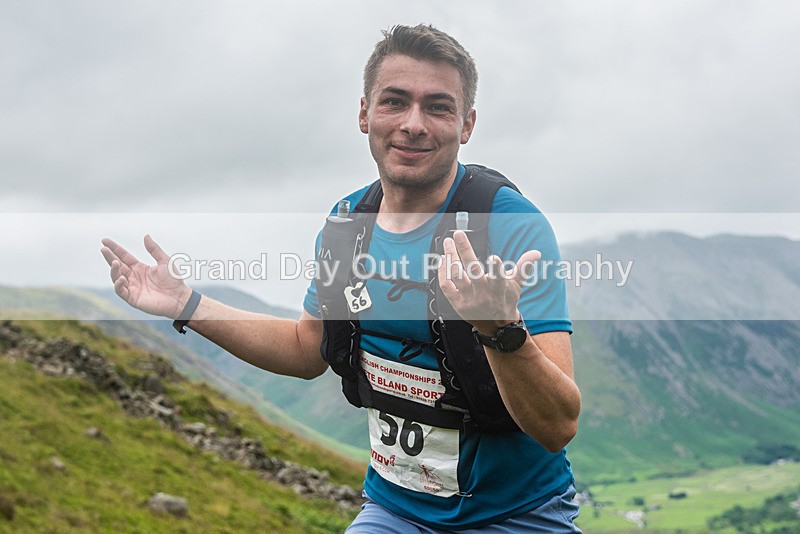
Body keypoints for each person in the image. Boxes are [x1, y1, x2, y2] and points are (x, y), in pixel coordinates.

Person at [101, 24, 582, 532]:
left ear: (467, 124)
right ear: (364, 114)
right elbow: (307, 348)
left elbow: (557, 426)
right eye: (394, 101)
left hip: (518, 515)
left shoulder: (510, 227)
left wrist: (498, 329)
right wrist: (186, 303)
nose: (413, 124)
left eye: (438, 107)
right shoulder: (347, 223)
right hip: (394, 512)